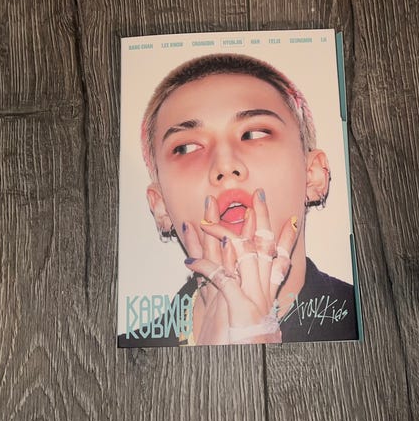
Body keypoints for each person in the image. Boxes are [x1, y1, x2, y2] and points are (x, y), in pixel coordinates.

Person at [119, 53, 358, 347]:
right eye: (186, 148)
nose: (225, 165)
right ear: (160, 206)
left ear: (313, 176)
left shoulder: (370, 323)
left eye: (254, 134)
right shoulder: (125, 355)